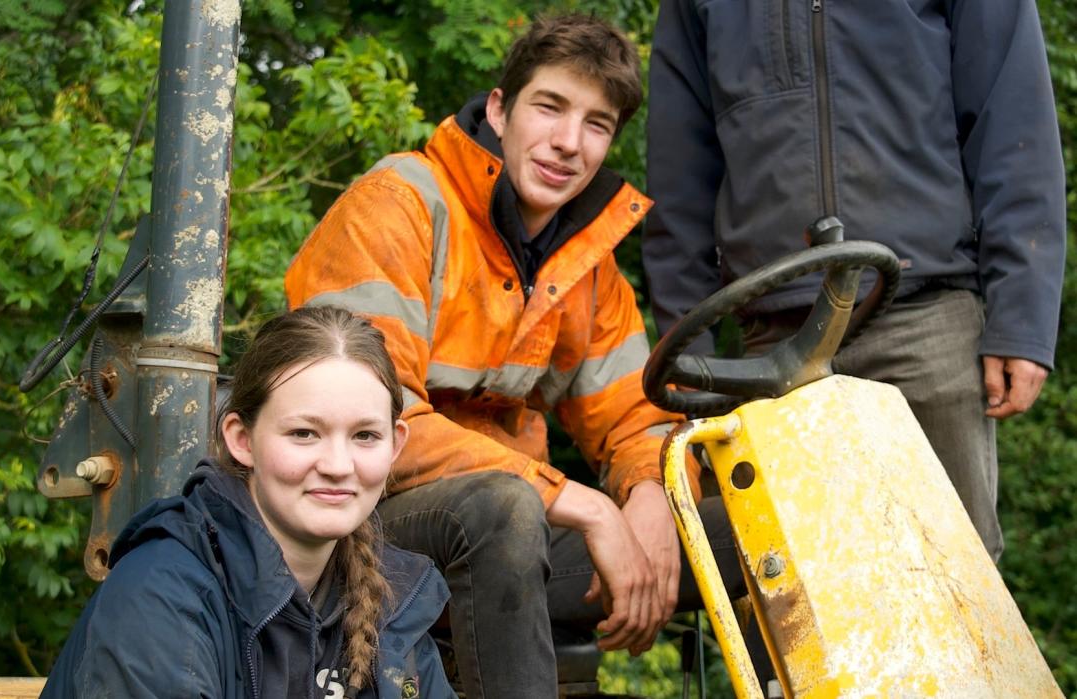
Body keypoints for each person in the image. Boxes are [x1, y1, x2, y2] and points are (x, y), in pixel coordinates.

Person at [286, 14, 754, 698]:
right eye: (550, 107)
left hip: (514, 538)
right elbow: (365, 429)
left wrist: (652, 492)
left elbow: (631, 417)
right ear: (500, 109)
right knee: (506, 506)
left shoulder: (586, 266)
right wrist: (589, 506)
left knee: (765, 516)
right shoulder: (399, 206)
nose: (569, 143)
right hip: (361, 525)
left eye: (597, 123)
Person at [645, 0, 1066, 561]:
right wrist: (690, 358)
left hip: (925, 318)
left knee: (959, 582)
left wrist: (1022, 316)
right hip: (772, 348)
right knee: (794, 596)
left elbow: (1015, 125)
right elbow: (676, 178)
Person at [41, 306, 455, 699]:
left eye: (365, 436)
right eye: (304, 434)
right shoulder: (161, 593)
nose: (337, 465)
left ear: (396, 445)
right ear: (241, 439)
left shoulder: (394, 601)